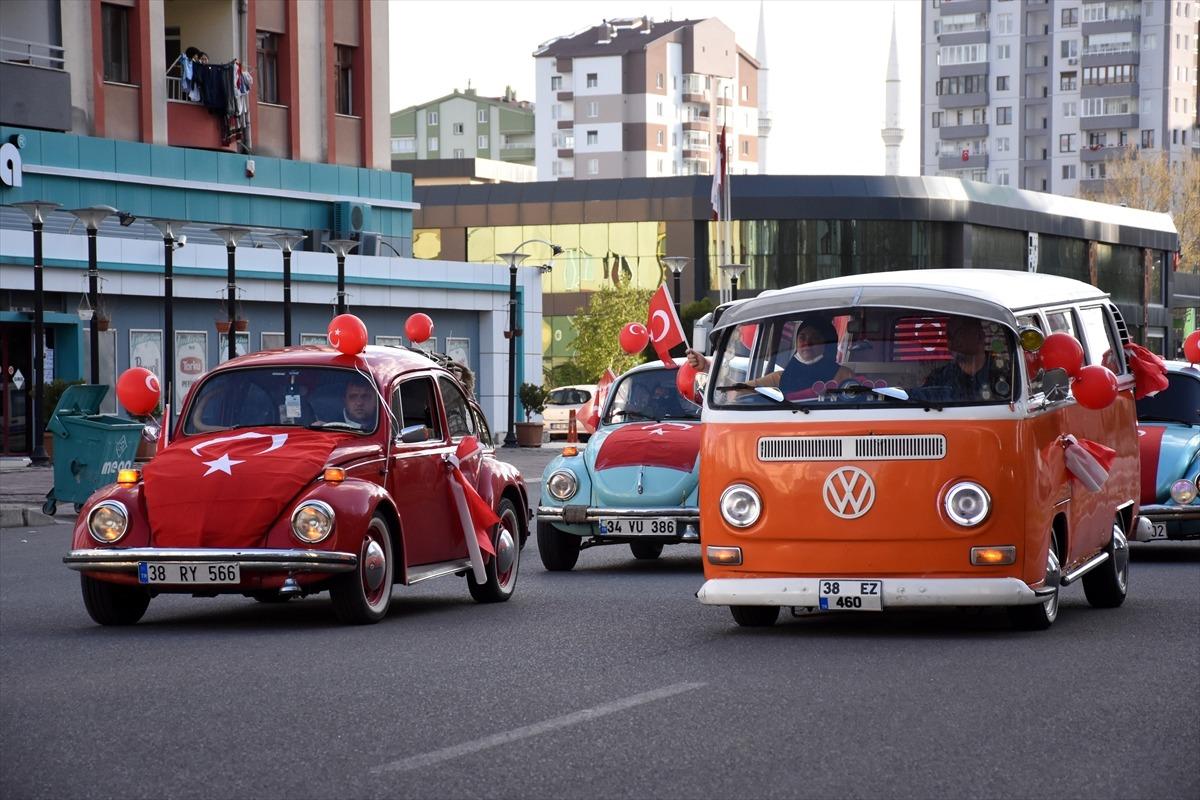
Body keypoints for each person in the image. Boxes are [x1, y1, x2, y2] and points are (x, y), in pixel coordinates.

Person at [685, 316, 848, 395]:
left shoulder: (843, 375)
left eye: (816, 338)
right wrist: (707, 366)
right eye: (802, 337)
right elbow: (740, 390)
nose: (807, 343)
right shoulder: (780, 378)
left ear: (828, 345)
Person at [919, 316, 997, 401]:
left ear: (980, 336)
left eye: (959, 334)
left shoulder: (1005, 374)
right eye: (949, 336)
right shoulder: (938, 379)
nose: (951, 343)